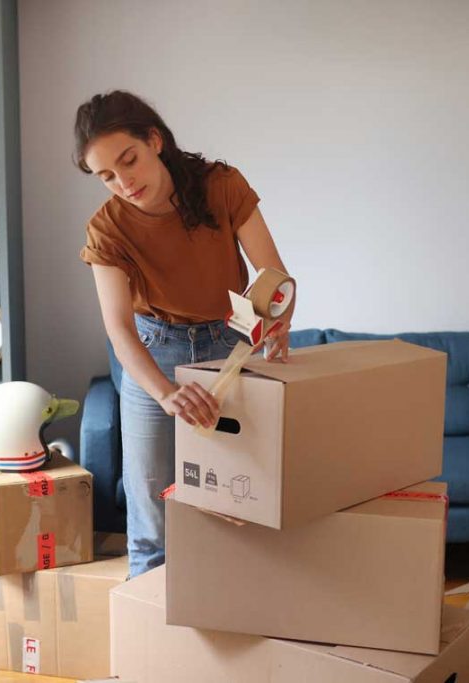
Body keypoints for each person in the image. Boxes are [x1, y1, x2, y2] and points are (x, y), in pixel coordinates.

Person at [74, 90, 292, 577]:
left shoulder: (221, 186)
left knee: (243, 501)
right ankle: (150, 643)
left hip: (230, 341)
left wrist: (279, 315)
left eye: (128, 160)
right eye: (106, 176)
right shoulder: (106, 230)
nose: (123, 182)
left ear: (154, 140)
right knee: (152, 520)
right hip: (156, 352)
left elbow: (271, 273)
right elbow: (118, 327)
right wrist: (166, 393)